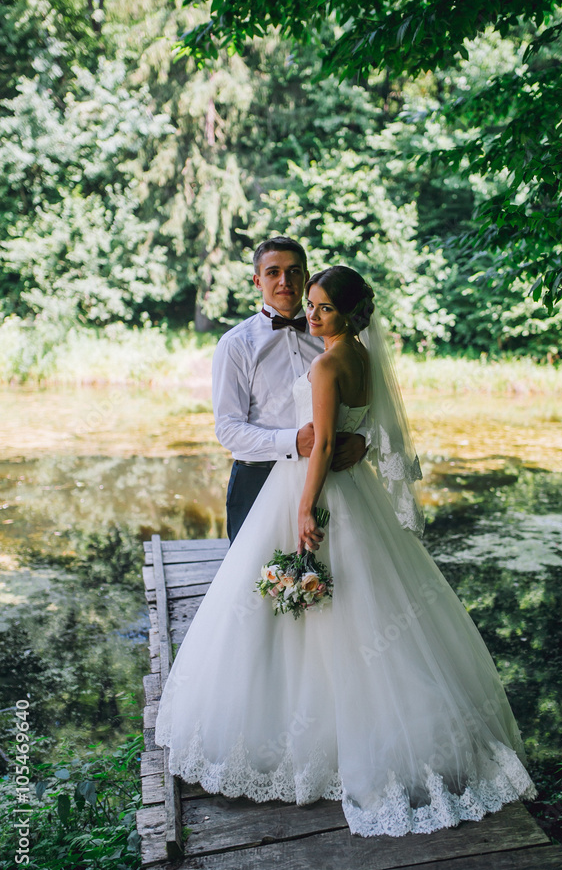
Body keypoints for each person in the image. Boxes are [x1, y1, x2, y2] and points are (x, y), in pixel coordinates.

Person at [156, 266, 536, 837]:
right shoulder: (361, 356)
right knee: (358, 603)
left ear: (347, 313)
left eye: (323, 307)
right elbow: (355, 428)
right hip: (358, 494)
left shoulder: (327, 361)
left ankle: (325, 740)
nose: (312, 314)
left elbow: (328, 442)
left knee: (314, 602)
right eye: (310, 304)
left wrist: (306, 506)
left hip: (316, 487)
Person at [212, 236, 365, 542]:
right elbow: (227, 429)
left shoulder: (334, 337)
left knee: (334, 579)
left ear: (307, 278)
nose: (285, 281)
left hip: (331, 480)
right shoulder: (236, 344)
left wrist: (365, 441)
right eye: (273, 272)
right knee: (255, 582)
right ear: (258, 280)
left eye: (294, 271)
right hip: (258, 479)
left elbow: (362, 402)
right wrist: (293, 441)